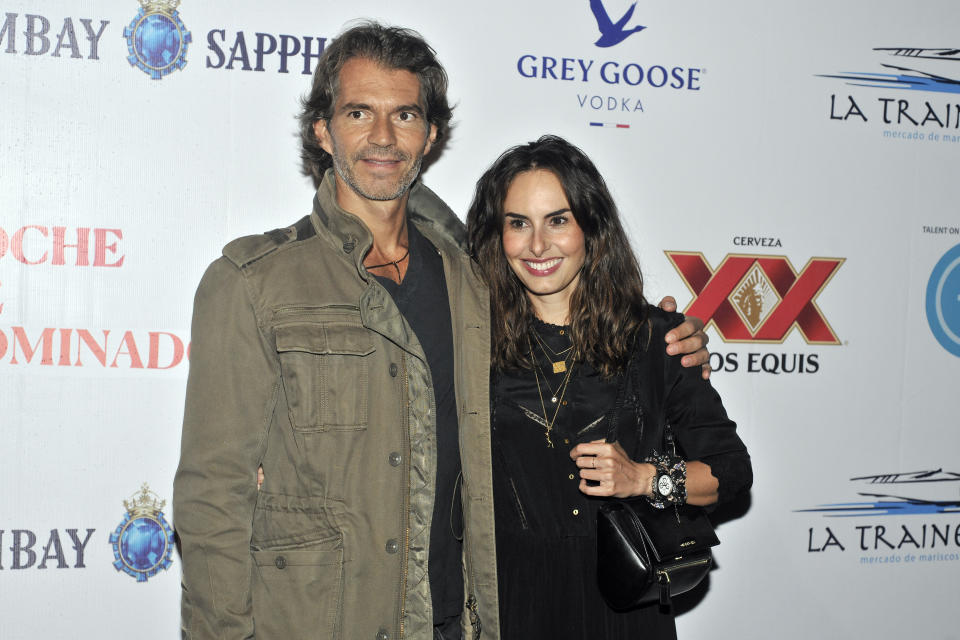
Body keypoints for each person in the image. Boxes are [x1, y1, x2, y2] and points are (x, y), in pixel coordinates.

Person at [173, 23, 710, 640]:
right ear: (323, 131)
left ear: (429, 136)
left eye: (404, 114)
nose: (382, 136)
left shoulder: (473, 279)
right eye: (358, 112)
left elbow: (574, 315)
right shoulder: (252, 283)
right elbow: (213, 497)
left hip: (455, 623)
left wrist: (662, 340)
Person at [466, 135, 752, 639]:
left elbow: (731, 472)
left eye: (558, 220)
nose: (537, 245)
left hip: (621, 606)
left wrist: (645, 478)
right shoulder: (469, 341)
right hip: (509, 603)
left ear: (590, 228)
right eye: (518, 223)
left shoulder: (656, 340)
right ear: (497, 235)